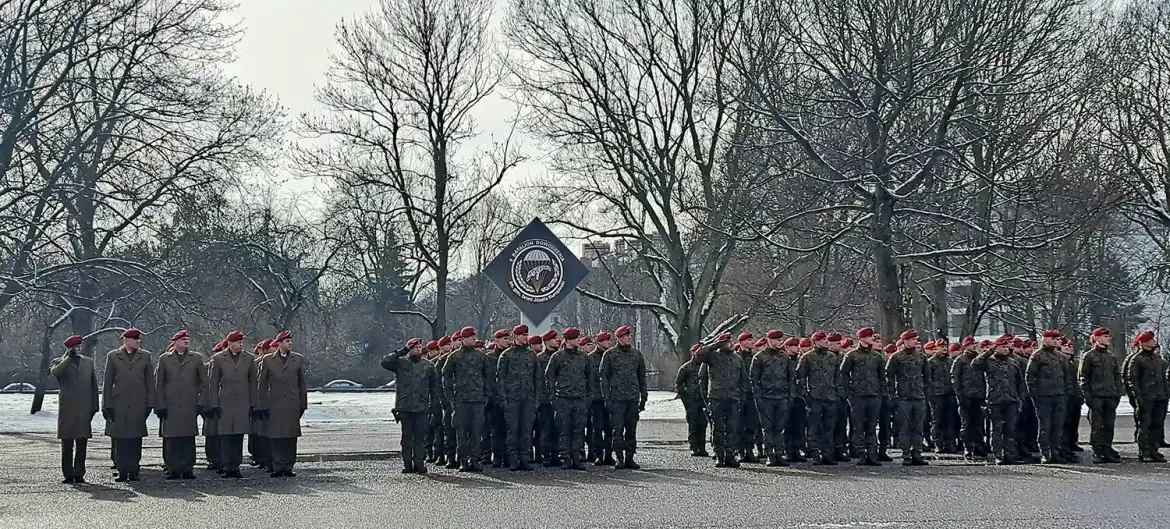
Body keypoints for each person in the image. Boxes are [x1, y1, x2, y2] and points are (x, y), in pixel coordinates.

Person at [381, 338, 441, 474]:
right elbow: (384, 362)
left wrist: (434, 405)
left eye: (419, 347)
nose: (418, 349)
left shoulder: (428, 365)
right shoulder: (400, 362)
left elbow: (434, 387)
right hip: (405, 407)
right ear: (409, 349)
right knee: (407, 438)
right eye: (415, 347)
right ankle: (407, 464)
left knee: (420, 437)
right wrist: (403, 350)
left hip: (422, 407)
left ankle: (419, 463)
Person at [102, 328, 154, 482]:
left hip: (138, 403)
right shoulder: (113, 356)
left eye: (138, 339)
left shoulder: (145, 356)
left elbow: (150, 381)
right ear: (125, 340)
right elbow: (107, 382)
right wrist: (106, 405)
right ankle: (122, 470)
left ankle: (134, 469)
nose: (138, 341)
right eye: (134, 339)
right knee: (120, 439)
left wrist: (150, 403)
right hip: (119, 403)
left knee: (135, 439)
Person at [155, 329, 206, 479]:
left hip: (189, 403)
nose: (186, 341)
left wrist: (201, 402)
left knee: (188, 437)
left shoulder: (196, 358)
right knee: (172, 438)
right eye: (183, 339)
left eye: (187, 339)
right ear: (175, 342)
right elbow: (159, 384)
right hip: (171, 404)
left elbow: (204, 382)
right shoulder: (165, 359)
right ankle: (173, 469)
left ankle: (188, 468)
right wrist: (160, 405)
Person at [256, 330, 308, 477]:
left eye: (290, 341)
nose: (290, 343)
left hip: (292, 403)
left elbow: (302, 383)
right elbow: (262, 384)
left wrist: (303, 404)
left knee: (291, 436)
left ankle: (288, 466)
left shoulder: (298, 359)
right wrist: (262, 405)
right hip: (274, 403)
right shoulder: (268, 360)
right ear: (279, 343)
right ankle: (278, 466)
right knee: (276, 436)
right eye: (286, 341)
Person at [442, 326, 492, 472]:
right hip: (461, 401)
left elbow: (488, 377)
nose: (474, 339)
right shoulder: (454, 357)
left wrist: (486, 396)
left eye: (474, 337)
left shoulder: (481, 357)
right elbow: (446, 377)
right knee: (461, 433)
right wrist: (451, 398)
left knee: (476, 432)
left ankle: (475, 460)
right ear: (463, 339)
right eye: (471, 337)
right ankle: (463, 460)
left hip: (478, 400)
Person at [51, 335, 99, 484]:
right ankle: (68, 473)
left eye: (78, 346)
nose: (77, 349)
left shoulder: (88, 362)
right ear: (68, 348)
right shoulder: (59, 362)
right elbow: (56, 373)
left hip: (84, 407)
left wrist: (94, 406)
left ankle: (79, 473)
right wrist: (68, 359)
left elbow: (94, 386)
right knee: (67, 443)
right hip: (68, 409)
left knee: (82, 442)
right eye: (74, 347)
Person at [973, 334, 1027, 465]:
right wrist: (990, 351)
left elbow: (1020, 382)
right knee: (996, 429)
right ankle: (998, 455)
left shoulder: (1013, 362)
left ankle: (1009, 454)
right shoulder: (989, 361)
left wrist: (1021, 398)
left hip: (1011, 400)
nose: (1006, 349)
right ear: (996, 348)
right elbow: (975, 364)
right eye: (1002, 347)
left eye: (1007, 347)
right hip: (995, 400)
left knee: (1010, 429)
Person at [600, 325, 649, 470]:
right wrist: (607, 399)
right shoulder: (609, 355)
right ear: (619, 338)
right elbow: (603, 378)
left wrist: (644, 396)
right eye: (626, 336)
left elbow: (642, 377)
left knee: (631, 430)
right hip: (617, 399)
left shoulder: (636, 354)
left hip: (632, 398)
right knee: (618, 429)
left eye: (630, 335)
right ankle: (619, 458)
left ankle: (629, 458)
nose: (629, 338)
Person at [208, 331, 255, 478]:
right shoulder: (218, 359)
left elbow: (253, 383)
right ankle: (226, 465)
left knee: (238, 436)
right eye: (238, 342)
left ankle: (235, 465)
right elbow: (213, 383)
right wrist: (214, 404)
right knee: (226, 435)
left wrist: (254, 403)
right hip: (225, 402)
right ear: (230, 343)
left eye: (242, 342)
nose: (241, 345)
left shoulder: (249, 358)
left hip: (242, 402)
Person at [545, 327, 591, 470]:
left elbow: (590, 378)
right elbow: (549, 377)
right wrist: (553, 397)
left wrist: (588, 398)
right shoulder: (557, 357)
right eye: (575, 338)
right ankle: (565, 458)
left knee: (578, 430)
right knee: (564, 430)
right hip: (563, 399)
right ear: (568, 340)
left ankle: (576, 458)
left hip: (580, 398)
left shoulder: (583, 357)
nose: (578, 340)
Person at [698, 332, 745, 467]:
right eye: (728, 342)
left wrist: (742, 396)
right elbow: (699, 355)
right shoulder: (713, 356)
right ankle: (719, 455)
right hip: (717, 397)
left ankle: (730, 455)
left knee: (732, 428)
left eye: (731, 341)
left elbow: (743, 379)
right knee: (718, 429)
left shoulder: (737, 358)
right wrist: (715, 345)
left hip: (733, 398)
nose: (731, 344)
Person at [497, 326, 540, 471]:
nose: (525, 337)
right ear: (515, 336)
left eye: (526, 335)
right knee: (513, 430)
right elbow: (500, 379)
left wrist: (536, 399)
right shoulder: (506, 355)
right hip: (512, 398)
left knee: (526, 430)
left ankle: (525, 458)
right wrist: (504, 400)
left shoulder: (531, 355)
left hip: (528, 398)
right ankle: (513, 459)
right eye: (523, 335)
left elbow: (537, 378)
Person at [796, 330, 841, 465]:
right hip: (815, 398)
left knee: (829, 428)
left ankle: (827, 454)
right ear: (815, 342)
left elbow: (837, 377)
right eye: (822, 339)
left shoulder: (832, 357)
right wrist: (806, 396)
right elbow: (800, 378)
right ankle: (815, 453)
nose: (825, 341)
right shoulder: (807, 357)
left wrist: (838, 393)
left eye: (826, 339)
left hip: (830, 397)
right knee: (814, 427)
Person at [841, 328, 885, 466]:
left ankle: (872, 454)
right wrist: (849, 394)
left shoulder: (877, 356)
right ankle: (861, 454)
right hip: (858, 396)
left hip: (874, 395)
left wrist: (881, 394)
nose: (872, 338)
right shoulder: (851, 355)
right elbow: (843, 374)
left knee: (871, 427)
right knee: (858, 427)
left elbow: (882, 376)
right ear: (861, 338)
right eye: (869, 336)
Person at [1078, 327, 1123, 463]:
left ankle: (1107, 449)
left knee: (1109, 425)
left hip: (1110, 395)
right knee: (1097, 426)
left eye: (1108, 336)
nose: (1108, 338)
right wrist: (1087, 396)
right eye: (1105, 336)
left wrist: (1118, 393)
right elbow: (1083, 377)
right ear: (1097, 338)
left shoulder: (1111, 356)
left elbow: (1117, 376)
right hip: (1096, 395)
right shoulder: (1089, 356)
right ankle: (1097, 452)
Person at [750, 330, 794, 467]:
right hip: (766, 397)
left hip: (782, 396)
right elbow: (754, 379)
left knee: (779, 427)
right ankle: (770, 454)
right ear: (769, 340)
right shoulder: (759, 357)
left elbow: (791, 377)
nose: (780, 342)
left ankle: (779, 454)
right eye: (777, 340)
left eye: (781, 340)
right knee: (767, 428)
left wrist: (790, 395)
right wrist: (758, 396)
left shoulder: (785, 357)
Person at [1026, 330, 1070, 464]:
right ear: (1044, 340)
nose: (1056, 341)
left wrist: (1066, 393)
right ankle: (1045, 453)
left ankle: (1055, 452)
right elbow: (1030, 377)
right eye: (1053, 339)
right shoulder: (1037, 356)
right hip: (1043, 396)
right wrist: (1035, 395)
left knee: (1057, 426)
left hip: (1059, 395)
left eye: (1057, 339)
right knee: (1045, 426)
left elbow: (1067, 377)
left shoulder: (1061, 357)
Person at [886, 329, 928, 466]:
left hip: (919, 396)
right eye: (913, 339)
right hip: (903, 397)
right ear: (905, 341)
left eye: (916, 339)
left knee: (918, 427)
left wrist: (926, 393)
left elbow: (927, 376)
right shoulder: (896, 357)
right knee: (904, 427)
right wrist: (893, 395)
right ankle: (906, 455)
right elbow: (889, 377)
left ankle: (917, 453)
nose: (916, 341)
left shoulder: (921, 357)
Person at [1125, 330, 1167, 462]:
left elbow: (1163, 379)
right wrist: (1137, 398)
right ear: (1143, 343)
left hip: (1160, 397)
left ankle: (1154, 450)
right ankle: (1145, 452)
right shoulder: (1137, 359)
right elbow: (1132, 380)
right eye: (1151, 340)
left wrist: (1166, 394)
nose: (1154, 342)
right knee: (1144, 425)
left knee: (1157, 425)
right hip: (1146, 398)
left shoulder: (1157, 359)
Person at [951, 337, 988, 458]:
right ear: (966, 346)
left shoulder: (979, 360)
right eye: (972, 344)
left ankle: (979, 446)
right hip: (966, 396)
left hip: (979, 395)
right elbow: (955, 378)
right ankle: (968, 446)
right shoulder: (960, 360)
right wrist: (960, 396)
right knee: (967, 424)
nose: (974, 346)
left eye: (975, 344)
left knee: (979, 423)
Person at [482, 330, 509, 467]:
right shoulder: (489, 358)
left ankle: (508, 457)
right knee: (496, 430)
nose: (507, 341)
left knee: (509, 429)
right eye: (504, 339)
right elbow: (485, 378)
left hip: (509, 398)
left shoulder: (510, 356)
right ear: (496, 340)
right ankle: (497, 456)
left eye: (508, 339)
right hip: (494, 399)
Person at [926, 342, 959, 454]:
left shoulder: (950, 361)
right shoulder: (931, 362)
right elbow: (928, 379)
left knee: (950, 420)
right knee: (937, 420)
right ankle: (938, 444)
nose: (944, 349)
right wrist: (930, 393)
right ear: (936, 348)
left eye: (945, 347)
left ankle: (950, 443)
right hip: (936, 395)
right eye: (941, 347)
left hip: (949, 394)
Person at [734, 332, 762, 462]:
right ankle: (740, 451)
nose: (752, 342)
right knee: (739, 425)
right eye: (749, 340)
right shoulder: (735, 357)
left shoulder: (755, 357)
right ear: (741, 342)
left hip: (752, 394)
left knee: (751, 424)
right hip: (738, 394)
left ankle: (749, 450)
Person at [677, 344, 708, 457]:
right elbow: (679, 384)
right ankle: (694, 447)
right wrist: (685, 399)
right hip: (692, 400)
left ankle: (702, 447)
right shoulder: (686, 367)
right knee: (693, 424)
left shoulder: (705, 366)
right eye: (696, 351)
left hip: (703, 399)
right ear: (692, 353)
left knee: (703, 424)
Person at [534, 330, 558, 466]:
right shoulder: (539, 359)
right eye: (553, 339)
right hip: (544, 400)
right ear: (547, 341)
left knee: (557, 428)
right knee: (546, 429)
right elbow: (536, 379)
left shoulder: (559, 356)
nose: (557, 341)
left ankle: (556, 454)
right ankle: (545, 455)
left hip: (559, 398)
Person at [203, 340, 226, 473]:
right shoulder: (206, 367)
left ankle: (222, 460)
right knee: (211, 434)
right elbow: (203, 387)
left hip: (223, 404)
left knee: (223, 435)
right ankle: (213, 459)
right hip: (209, 406)